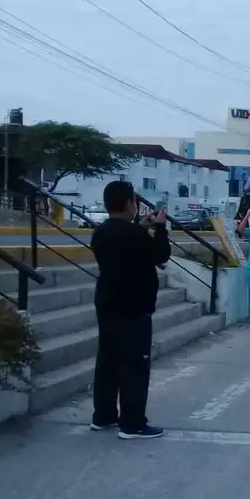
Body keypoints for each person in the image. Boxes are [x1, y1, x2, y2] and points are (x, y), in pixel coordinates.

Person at [90, 180, 171, 440]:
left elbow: (126, 241)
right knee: (134, 365)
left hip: (107, 304)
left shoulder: (101, 232)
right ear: (129, 203)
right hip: (133, 308)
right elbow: (161, 254)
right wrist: (159, 227)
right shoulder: (134, 235)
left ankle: (103, 416)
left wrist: (141, 227)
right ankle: (132, 423)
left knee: (107, 362)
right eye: (134, 202)